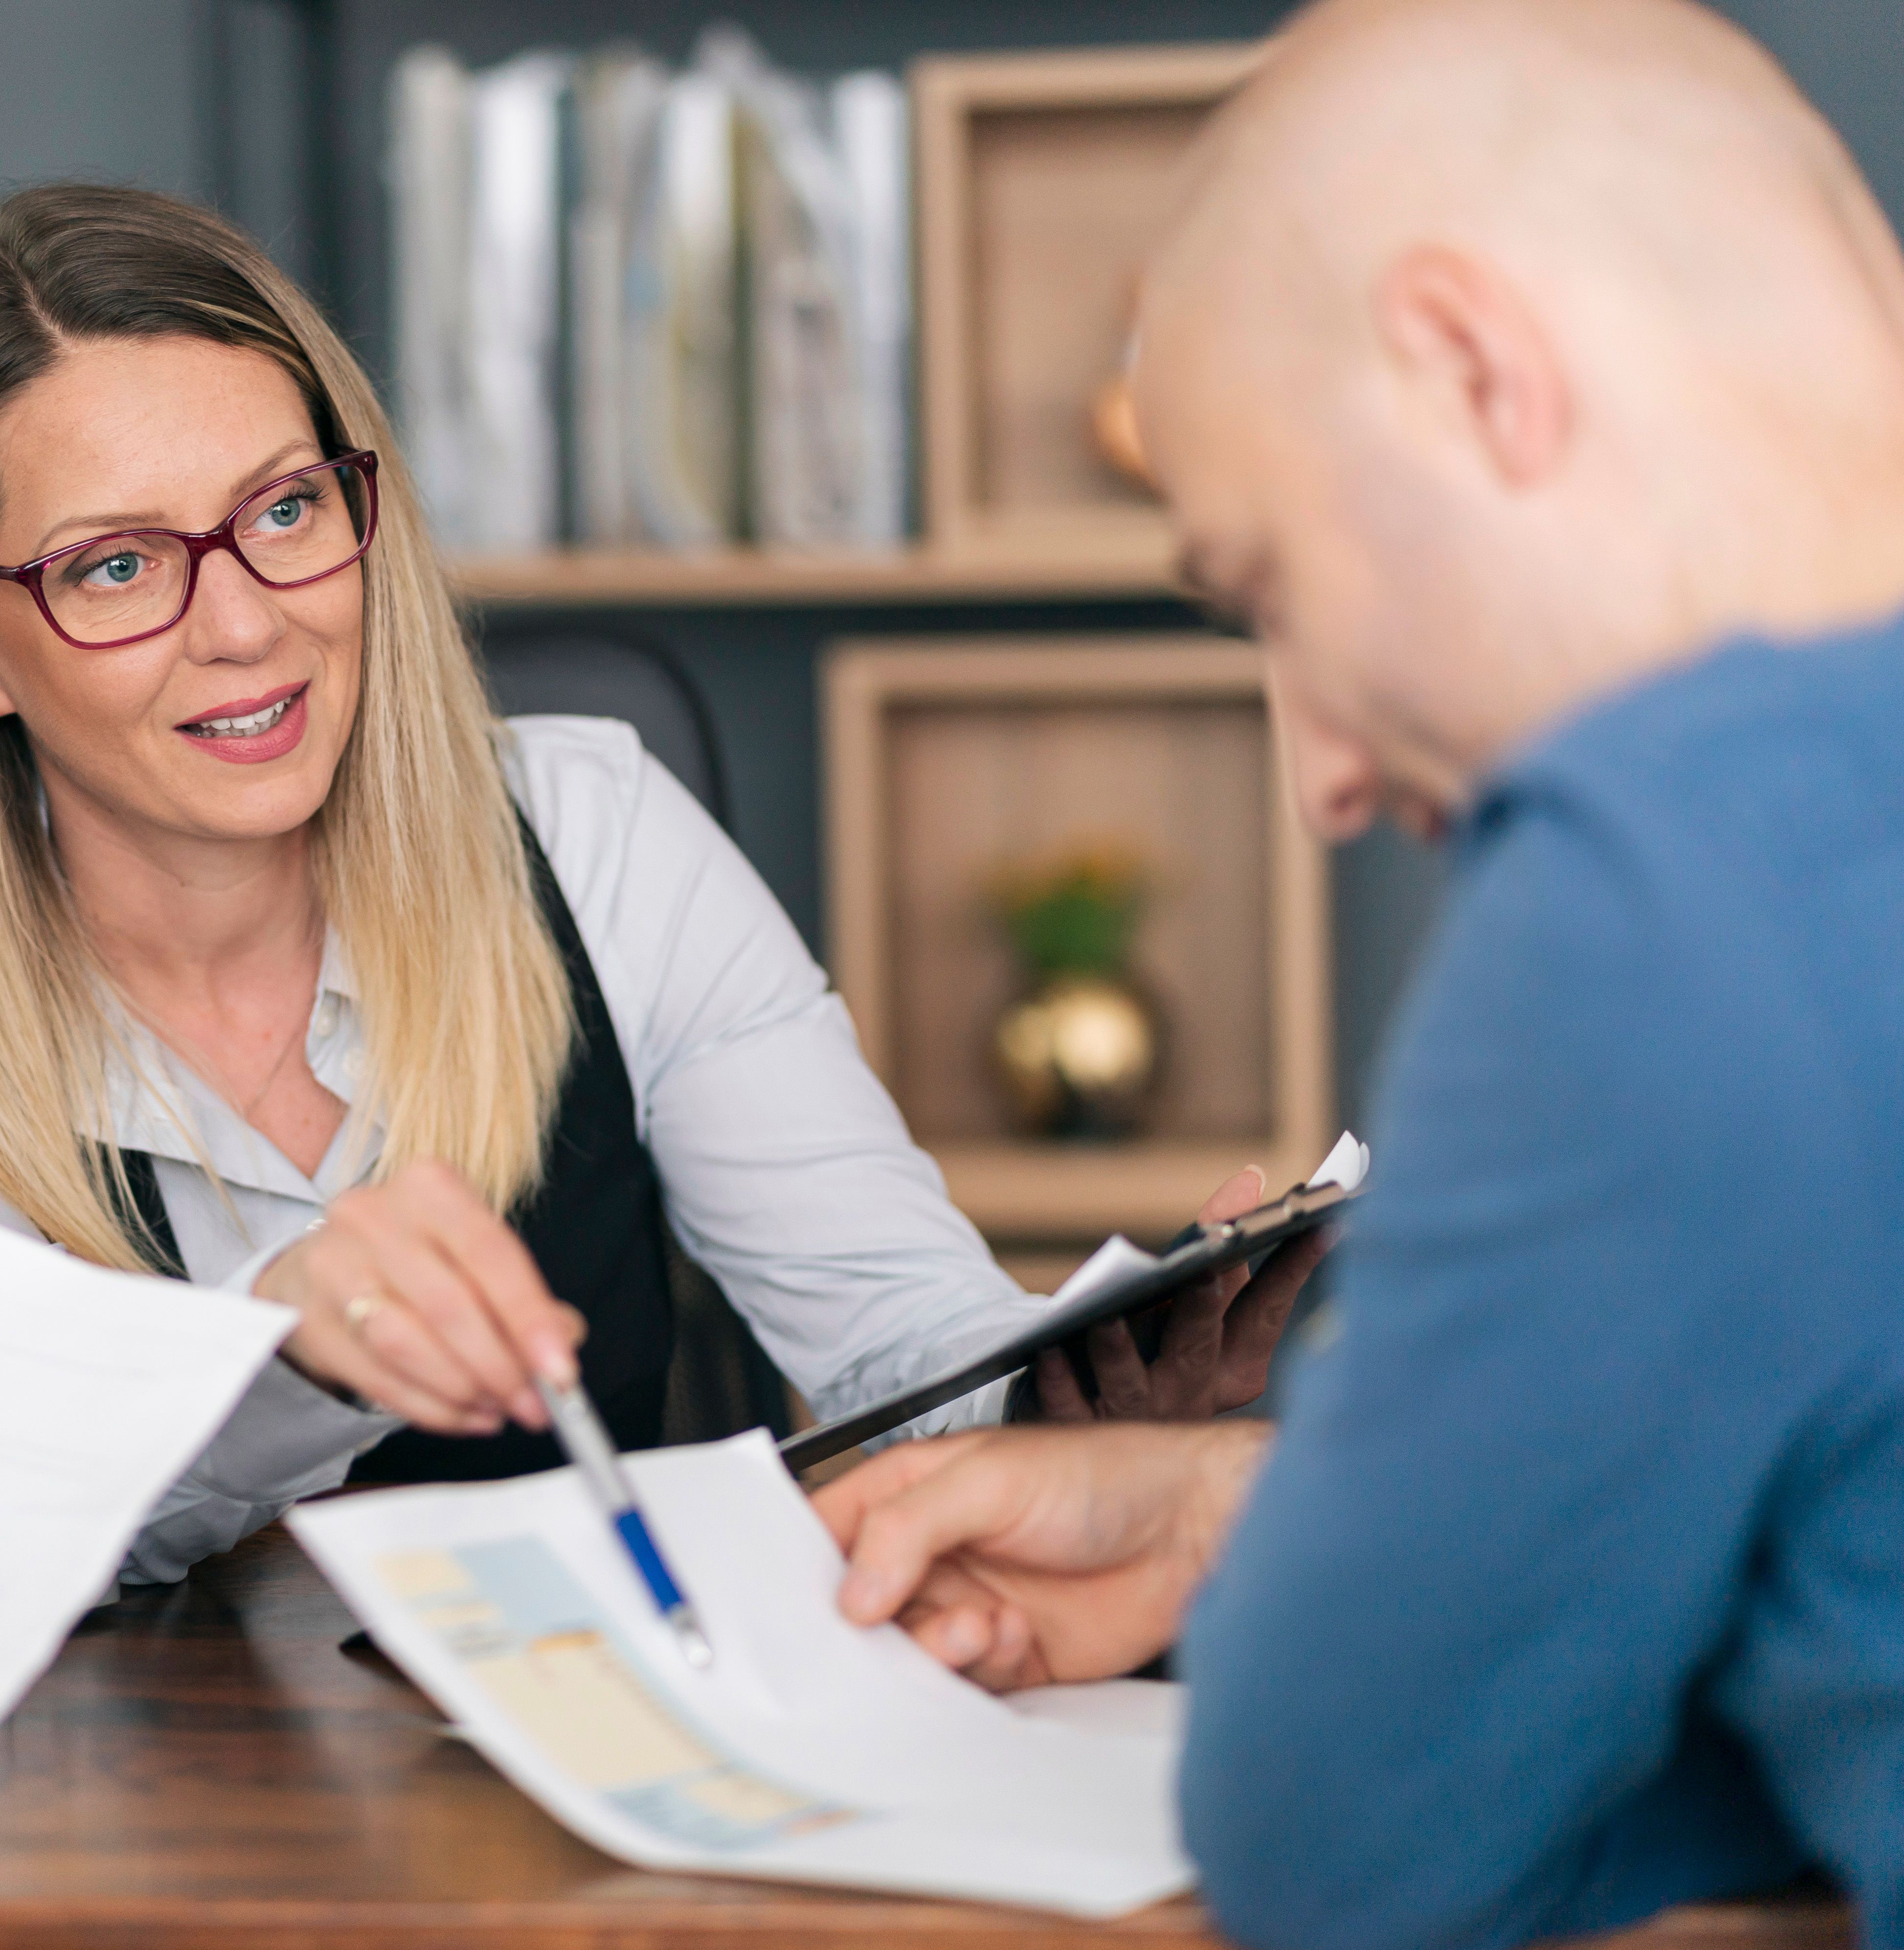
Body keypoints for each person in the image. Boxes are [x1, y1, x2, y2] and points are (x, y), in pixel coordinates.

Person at [0, 183, 1326, 1584]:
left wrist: (1075, 1410)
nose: (248, 624)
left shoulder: (596, 833)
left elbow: (903, 1335)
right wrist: (295, 1343)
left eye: (284, 511)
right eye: (116, 566)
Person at [811, 1, 1904, 1946]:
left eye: (1276, 591)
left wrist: (1288, 1566)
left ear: (1476, 372)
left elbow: (1342, 1848)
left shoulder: (1664, 885)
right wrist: (1247, 1506)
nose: (1319, 776)